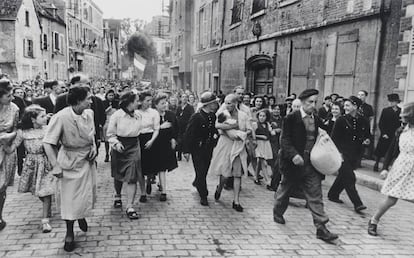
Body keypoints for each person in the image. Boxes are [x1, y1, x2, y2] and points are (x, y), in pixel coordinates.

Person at [273, 88, 338, 242]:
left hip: (311, 164)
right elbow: (285, 140)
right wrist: (294, 154)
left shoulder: (316, 119)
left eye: (315, 102)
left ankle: (321, 228)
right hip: (292, 163)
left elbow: (323, 136)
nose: (313, 105)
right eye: (310, 102)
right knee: (285, 191)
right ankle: (277, 212)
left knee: (315, 195)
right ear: (302, 102)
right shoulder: (291, 118)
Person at [43, 86, 97, 252]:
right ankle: (69, 233)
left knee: (86, 194)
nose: (91, 101)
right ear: (78, 101)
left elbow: (92, 134)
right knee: (69, 199)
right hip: (69, 162)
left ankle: (81, 215)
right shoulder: (61, 117)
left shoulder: (90, 114)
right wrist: (55, 165)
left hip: (86, 161)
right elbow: (48, 142)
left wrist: (94, 147)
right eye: (88, 98)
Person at [368, 102, 414, 236]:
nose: (401, 116)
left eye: (404, 114)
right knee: (391, 199)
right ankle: (373, 220)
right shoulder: (401, 131)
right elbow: (391, 151)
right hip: (401, 166)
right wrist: (385, 168)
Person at [7, 105, 55, 233]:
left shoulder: (48, 129)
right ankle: (47, 207)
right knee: (37, 190)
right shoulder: (23, 132)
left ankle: (45, 221)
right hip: (31, 164)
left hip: (46, 162)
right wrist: (4, 143)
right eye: (42, 116)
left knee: (46, 191)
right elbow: (13, 147)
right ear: (33, 119)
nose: (46, 118)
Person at [327, 96, 370, 213]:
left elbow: (367, 135)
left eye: (348, 105)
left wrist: (366, 140)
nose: (345, 108)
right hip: (342, 153)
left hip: (355, 154)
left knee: (344, 176)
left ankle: (333, 194)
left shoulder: (364, 120)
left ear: (355, 106)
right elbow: (334, 139)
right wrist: (338, 153)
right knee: (350, 177)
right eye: (344, 105)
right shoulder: (341, 120)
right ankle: (357, 203)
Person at [210, 94, 252, 212]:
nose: (227, 105)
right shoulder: (223, 114)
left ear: (235, 103)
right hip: (226, 145)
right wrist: (232, 127)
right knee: (225, 173)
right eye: (226, 103)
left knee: (237, 173)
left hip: (238, 146)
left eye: (230, 103)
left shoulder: (243, 115)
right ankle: (219, 188)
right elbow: (217, 125)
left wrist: (243, 134)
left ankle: (236, 201)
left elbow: (249, 129)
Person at [107, 92, 142, 219]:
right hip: (119, 145)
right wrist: (116, 144)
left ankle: (130, 206)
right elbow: (110, 134)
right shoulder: (117, 115)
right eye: (137, 100)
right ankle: (117, 195)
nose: (139, 103)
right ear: (129, 102)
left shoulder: (138, 115)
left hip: (133, 146)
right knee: (118, 174)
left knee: (132, 176)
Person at [184, 92, 219, 206]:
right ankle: (204, 195)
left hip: (208, 148)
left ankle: (197, 181)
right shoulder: (197, 116)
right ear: (208, 104)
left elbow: (214, 130)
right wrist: (186, 150)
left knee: (204, 170)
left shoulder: (213, 116)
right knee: (201, 170)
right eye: (214, 103)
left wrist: (215, 138)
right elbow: (189, 134)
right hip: (197, 149)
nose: (216, 104)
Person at [0, 80, 19, 231]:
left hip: (6, 151)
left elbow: (17, 129)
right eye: (8, 95)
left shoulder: (14, 109)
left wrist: (9, 136)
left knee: (2, 187)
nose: (12, 98)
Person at [152, 94, 178, 201]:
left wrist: (173, 139)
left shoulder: (170, 115)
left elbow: (176, 128)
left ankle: (164, 191)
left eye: (165, 102)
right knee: (152, 167)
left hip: (165, 145)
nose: (165, 105)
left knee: (162, 168)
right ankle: (150, 180)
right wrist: (160, 127)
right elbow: (147, 129)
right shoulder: (152, 115)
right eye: (162, 103)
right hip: (154, 144)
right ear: (156, 105)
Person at [137, 91, 160, 202]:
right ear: (141, 101)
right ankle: (142, 193)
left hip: (151, 138)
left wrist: (152, 140)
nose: (150, 103)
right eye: (147, 100)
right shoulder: (135, 112)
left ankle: (150, 180)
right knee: (140, 167)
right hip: (138, 139)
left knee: (150, 166)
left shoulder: (154, 113)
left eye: (151, 100)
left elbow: (156, 129)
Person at [373, 94, 401, 172]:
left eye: (393, 101)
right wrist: (384, 133)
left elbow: (400, 124)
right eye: (390, 101)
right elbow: (381, 123)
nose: (391, 103)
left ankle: (385, 166)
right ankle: (377, 163)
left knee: (391, 151)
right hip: (385, 133)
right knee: (381, 149)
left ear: (396, 102)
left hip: (394, 134)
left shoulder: (400, 111)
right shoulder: (386, 110)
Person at [253, 109, 273, 187]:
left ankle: (256, 176)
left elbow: (271, 132)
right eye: (260, 116)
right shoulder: (255, 124)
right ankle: (268, 181)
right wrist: (260, 136)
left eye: (264, 116)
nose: (262, 118)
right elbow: (252, 134)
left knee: (260, 162)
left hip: (266, 144)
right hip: (258, 144)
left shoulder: (267, 124)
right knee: (263, 162)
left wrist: (273, 131)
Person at [176, 93, 194, 161]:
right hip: (180, 127)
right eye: (183, 97)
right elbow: (176, 116)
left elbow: (192, 116)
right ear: (181, 98)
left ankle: (186, 153)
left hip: (187, 127)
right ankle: (179, 155)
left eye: (186, 97)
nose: (184, 98)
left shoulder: (190, 107)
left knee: (186, 140)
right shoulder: (179, 107)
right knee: (179, 140)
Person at [102, 89, 119, 162]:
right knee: (106, 139)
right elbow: (102, 112)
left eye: (112, 95)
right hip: (107, 121)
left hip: (115, 121)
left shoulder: (116, 102)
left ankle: (113, 153)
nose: (111, 97)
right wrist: (108, 109)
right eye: (110, 95)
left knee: (114, 138)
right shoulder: (103, 103)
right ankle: (106, 154)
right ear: (107, 96)